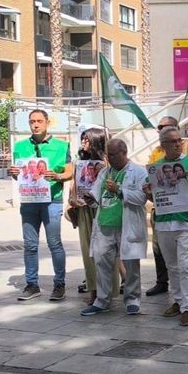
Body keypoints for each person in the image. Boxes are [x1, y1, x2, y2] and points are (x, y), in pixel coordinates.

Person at [142, 127, 188, 327]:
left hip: (187, 221)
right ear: (163, 145)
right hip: (164, 221)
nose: (177, 143)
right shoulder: (155, 168)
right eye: (172, 141)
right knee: (171, 265)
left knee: (186, 264)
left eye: (179, 140)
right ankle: (178, 300)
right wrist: (147, 191)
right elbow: (153, 197)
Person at [9, 109, 73, 301]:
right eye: (32, 122)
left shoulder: (62, 146)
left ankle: (59, 284)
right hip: (29, 201)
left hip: (51, 200)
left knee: (54, 243)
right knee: (30, 245)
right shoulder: (20, 146)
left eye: (39, 121)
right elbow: (18, 174)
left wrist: (58, 175)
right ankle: (32, 284)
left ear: (47, 123)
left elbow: (70, 171)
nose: (35, 125)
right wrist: (13, 172)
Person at [80, 139, 148, 316]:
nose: (108, 158)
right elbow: (97, 194)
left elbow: (141, 198)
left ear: (124, 153)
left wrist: (119, 190)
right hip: (105, 223)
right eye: (107, 155)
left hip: (127, 224)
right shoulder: (104, 173)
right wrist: (90, 198)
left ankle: (132, 299)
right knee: (102, 262)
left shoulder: (139, 172)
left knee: (131, 264)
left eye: (112, 155)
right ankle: (102, 300)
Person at [146, 116, 188, 297]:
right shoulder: (156, 153)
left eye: (167, 126)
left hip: (184, 213)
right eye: (160, 127)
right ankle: (162, 282)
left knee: (185, 258)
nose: (162, 128)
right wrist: (149, 190)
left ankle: (187, 289)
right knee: (159, 250)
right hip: (162, 210)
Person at [71, 128, 112, 302]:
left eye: (87, 140)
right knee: (88, 251)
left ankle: (107, 290)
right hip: (84, 209)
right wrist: (72, 200)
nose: (83, 143)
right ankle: (93, 290)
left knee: (104, 252)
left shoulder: (108, 163)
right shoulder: (79, 162)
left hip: (103, 209)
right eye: (82, 139)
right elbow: (74, 184)